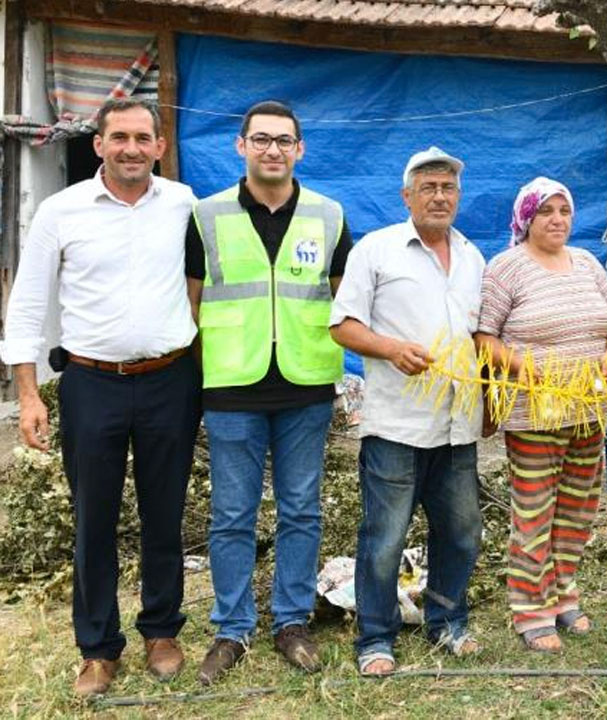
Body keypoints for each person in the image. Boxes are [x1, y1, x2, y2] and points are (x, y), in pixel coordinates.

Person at [0, 98, 200, 697]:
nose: (131, 148)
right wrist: (29, 395)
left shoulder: (185, 205)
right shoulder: (62, 212)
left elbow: (203, 280)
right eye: (119, 137)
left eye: (143, 138)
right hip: (91, 383)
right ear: (98, 145)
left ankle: (162, 630)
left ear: (160, 146)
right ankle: (97, 648)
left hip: (170, 379)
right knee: (94, 520)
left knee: (165, 512)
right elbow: (28, 305)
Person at [187, 100, 353, 684]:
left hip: (306, 382)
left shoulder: (329, 214)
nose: (273, 150)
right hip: (232, 382)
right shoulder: (207, 216)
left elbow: (344, 298)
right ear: (241, 146)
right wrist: (196, 376)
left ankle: (291, 622)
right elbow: (193, 299)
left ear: (300, 149)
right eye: (261, 139)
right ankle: (231, 629)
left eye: (284, 140)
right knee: (232, 515)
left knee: (301, 510)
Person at [330, 148, 486, 675]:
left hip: (457, 423)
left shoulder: (472, 256)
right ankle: (376, 638)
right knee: (385, 537)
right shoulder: (377, 250)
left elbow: (479, 339)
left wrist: (487, 401)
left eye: (448, 188)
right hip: (397, 422)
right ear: (407, 196)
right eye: (428, 188)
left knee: (462, 531)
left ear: (458, 197)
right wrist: (391, 349)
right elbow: (342, 325)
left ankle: (446, 621)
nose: (439, 196)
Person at [476, 177, 607, 652]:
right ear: (526, 220)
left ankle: (564, 593)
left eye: (565, 210)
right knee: (535, 510)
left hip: (588, 408)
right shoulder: (507, 268)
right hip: (535, 412)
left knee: (578, 508)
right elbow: (484, 337)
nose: (558, 220)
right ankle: (530, 608)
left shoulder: (585, 262)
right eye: (547, 212)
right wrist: (529, 368)